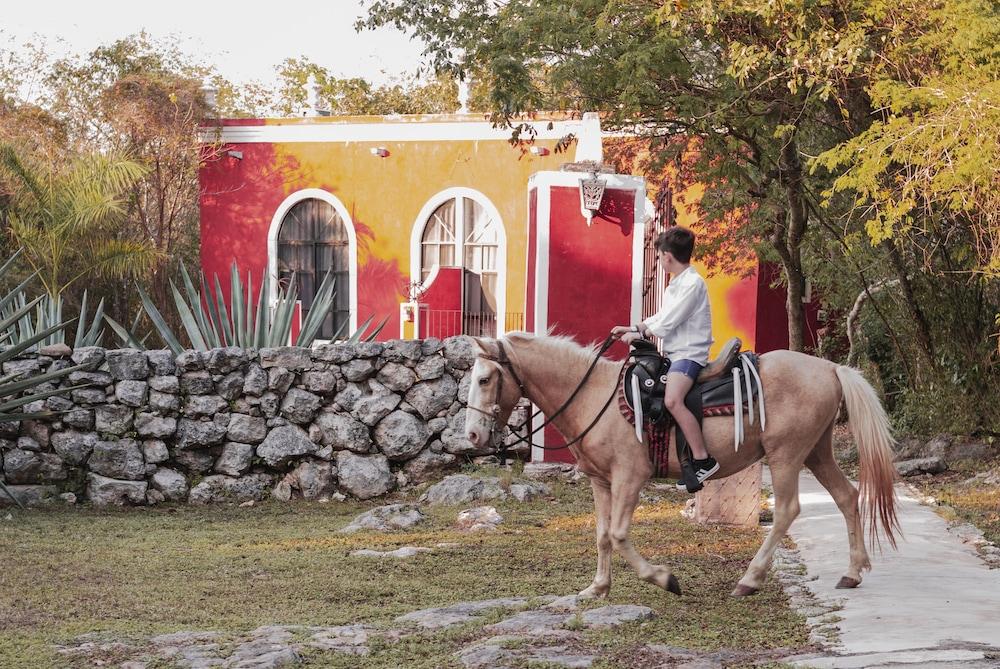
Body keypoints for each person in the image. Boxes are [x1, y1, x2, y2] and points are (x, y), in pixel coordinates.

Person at [612, 227, 718, 490]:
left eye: (659, 256)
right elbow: (662, 315)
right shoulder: (678, 283)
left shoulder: (693, 284)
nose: (659, 260)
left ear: (668, 256)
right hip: (676, 353)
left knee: (672, 400)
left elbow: (670, 321)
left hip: (688, 354)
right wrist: (634, 328)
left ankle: (703, 459)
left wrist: (644, 333)